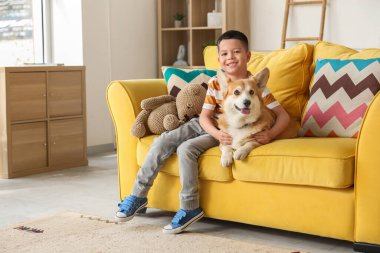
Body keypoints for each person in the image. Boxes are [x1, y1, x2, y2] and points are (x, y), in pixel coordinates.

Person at [115, 30, 291, 234]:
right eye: (224, 54)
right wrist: (217, 135)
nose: (230, 57)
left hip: (231, 130)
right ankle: (137, 196)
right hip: (207, 125)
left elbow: (283, 116)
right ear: (218, 58)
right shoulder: (217, 82)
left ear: (248, 56)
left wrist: (269, 135)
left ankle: (189, 208)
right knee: (164, 140)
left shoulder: (256, 87)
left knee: (186, 149)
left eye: (236, 52)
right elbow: (205, 117)